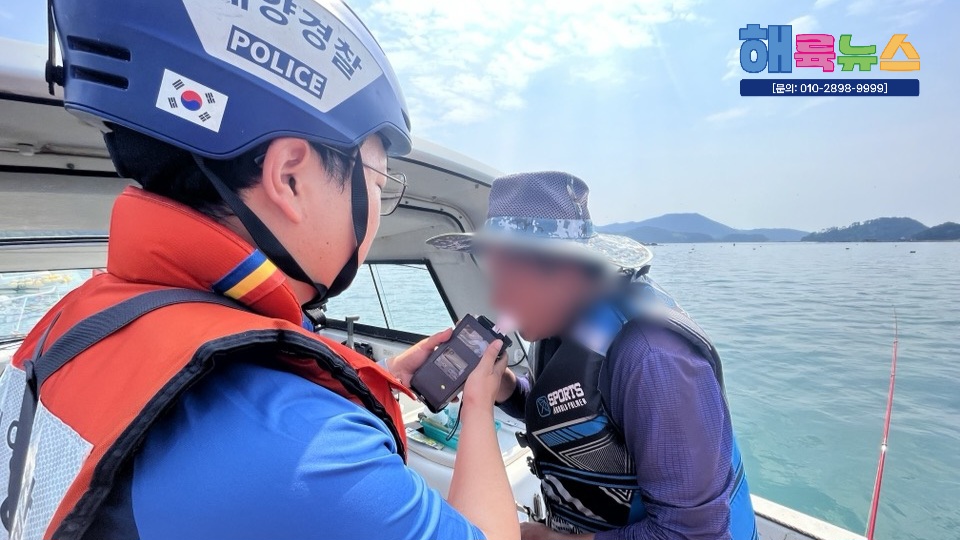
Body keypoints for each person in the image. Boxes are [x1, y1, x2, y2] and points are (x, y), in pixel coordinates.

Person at [0, 2, 519, 540]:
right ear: (289, 178)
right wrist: (479, 401)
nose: (376, 215)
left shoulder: (73, 320)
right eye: (378, 184)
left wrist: (382, 375)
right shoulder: (311, 450)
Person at [428, 172, 758, 540]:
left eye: (509, 280)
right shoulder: (560, 323)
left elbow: (695, 534)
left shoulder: (654, 360)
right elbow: (563, 407)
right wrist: (504, 386)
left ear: (567, 271)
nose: (497, 299)